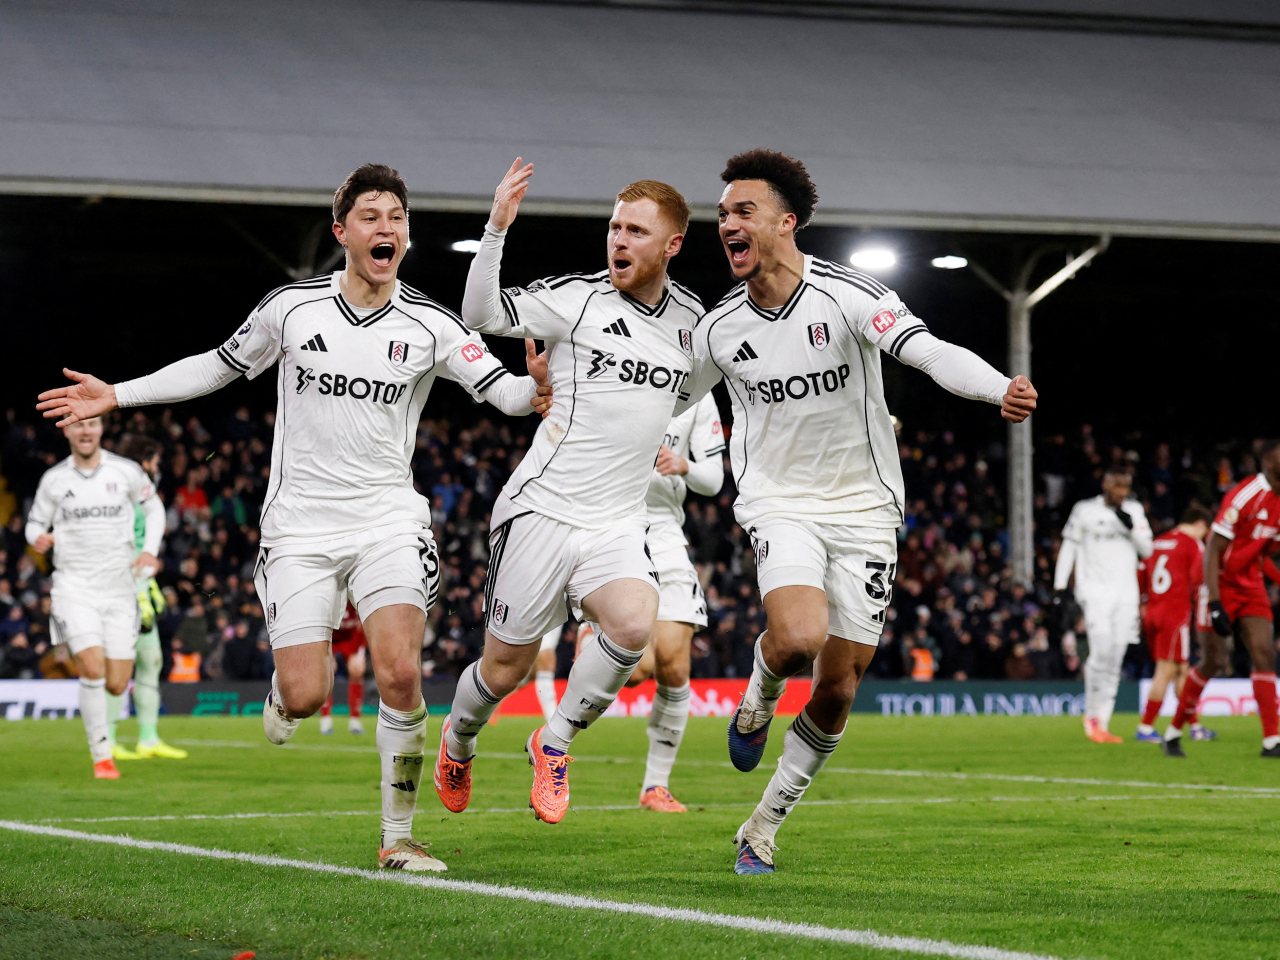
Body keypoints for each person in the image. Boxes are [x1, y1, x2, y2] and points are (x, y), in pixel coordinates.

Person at [36, 163, 552, 872]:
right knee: (308, 695)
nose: (386, 228)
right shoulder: (292, 309)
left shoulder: (432, 323)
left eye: (396, 217)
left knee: (400, 672)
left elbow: (503, 393)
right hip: (299, 532)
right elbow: (215, 366)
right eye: (371, 216)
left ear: (407, 235)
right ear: (341, 231)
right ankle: (286, 694)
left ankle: (397, 837)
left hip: (386, 523)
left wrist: (540, 392)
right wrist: (118, 395)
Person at [689, 150, 1036, 875]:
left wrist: (997, 385)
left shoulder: (848, 295)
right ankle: (757, 697)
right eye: (721, 214)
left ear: (785, 223)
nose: (726, 223)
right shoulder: (718, 328)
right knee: (795, 638)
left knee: (840, 684)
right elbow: (667, 395)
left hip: (867, 508)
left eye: (741, 211)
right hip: (779, 501)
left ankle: (762, 826)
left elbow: (926, 351)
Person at [434, 161, 709, 826]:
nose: (619, 239)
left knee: (634, 625)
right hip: (542, 511)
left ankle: (552, 741)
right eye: (615, 226)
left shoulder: (695, 323)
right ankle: (458, 739)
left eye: (637, 231)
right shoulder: (577, 298)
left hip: (617, 520)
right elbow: (480, 314)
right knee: (504, 670)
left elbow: (691, 391)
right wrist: (497, 226)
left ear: (671, 245)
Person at [24, 418, 164, 779]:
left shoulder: (126, 471)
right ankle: (102, 754)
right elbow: (34, 522)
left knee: (118, 682)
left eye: (92, 424)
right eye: (78, 426)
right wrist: (38, 536)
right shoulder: (55, 479)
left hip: (120, 589)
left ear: (101, 428)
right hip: (74, 588)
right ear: (67, 432)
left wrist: (149, 550)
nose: (85, 431)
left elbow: (154, 509)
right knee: (92, 668)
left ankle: (107, 737)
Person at [625, 392, 727, 812]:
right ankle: (553, 744)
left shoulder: (700, 399)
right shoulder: (621, 370)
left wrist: (684, 465)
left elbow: (714, 480)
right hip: (615, 524)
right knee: (636, 671)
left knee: (673, 664)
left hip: (666, 533)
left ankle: (655, 786)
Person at [1162, 442, 1280, 758]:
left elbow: (1264, 553)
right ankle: (1173, 732)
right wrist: (1214, 603)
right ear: (1269, 461)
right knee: (1213, 661)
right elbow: (1213, 551)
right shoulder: (1245, 495)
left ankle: (1272, 741)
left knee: (1264, 652)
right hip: (1219, 584)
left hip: (1251, 586)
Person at [1054, 467, 1153, 743]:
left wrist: (1130, 527)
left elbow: (1147, 550)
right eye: (1117, 487)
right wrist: (1060, 586)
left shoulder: (1133, 511)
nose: (1121, 493)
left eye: (1125, 488)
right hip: (1095, 592)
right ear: (1106, 486)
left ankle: (1102, 723)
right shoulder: (1084, 510)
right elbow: (1069, 547)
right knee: (1101, 650)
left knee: (1116, 657)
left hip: (1126, 595)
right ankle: (1092, 714)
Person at [108, 433, 188, 760]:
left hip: (142, 588)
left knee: (150, 660)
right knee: (118, 666)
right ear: (143, 461)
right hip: (119, 588)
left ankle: (148, 737)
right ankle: (108, 741)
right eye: (155, 462)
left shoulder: (145, 498)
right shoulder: (116, 494)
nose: (158, 468)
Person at [1134, 505, 1212, 744]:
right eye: (1205, 533)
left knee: (1181, 670)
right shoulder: (1191, 544)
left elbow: (1140, 574)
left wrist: (1143, 603)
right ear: (1200, 524)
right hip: (1175, 614)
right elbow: (1200, 581)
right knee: (1166, 670)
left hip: (1153, 612)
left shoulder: (1156, 543)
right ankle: (1146, 727)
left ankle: (1195, 726)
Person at [318, 602, 367, 735]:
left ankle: (355, 720)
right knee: (327, 670)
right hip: (331, 634)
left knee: (357, 669)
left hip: (353, 635)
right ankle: (325, 719)